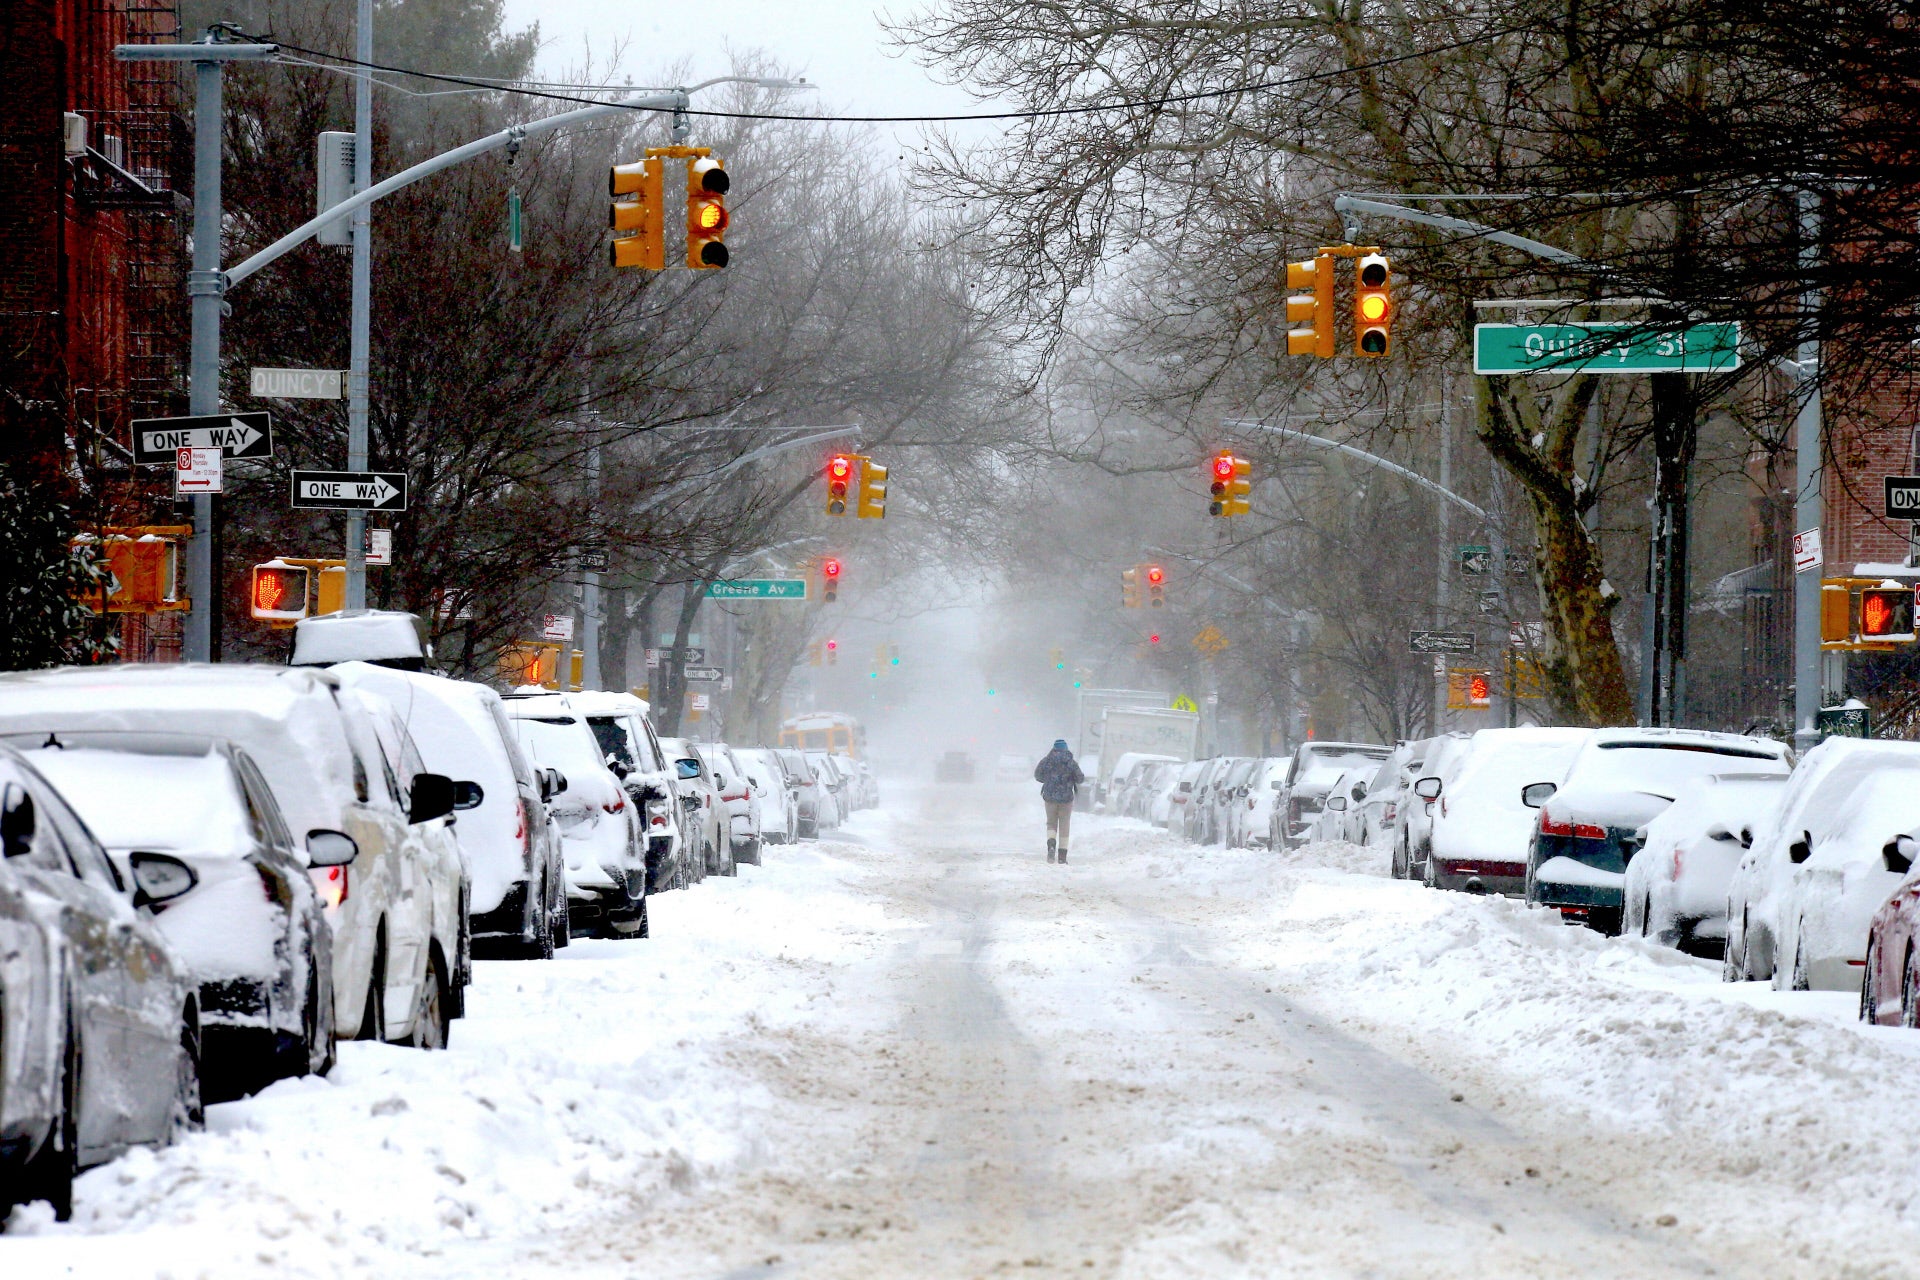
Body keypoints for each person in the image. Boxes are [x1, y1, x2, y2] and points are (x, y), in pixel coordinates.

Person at [1033, 739, 1084, 864]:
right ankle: (1062, 857)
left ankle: (1051, 846)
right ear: (1066, 749)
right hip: (1066, 799)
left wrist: (1048, 780)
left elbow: (1037, 775)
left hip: (1049, 797)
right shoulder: (1071, 762)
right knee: (1064, 825)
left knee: (1051, 823)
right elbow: (1080, 778)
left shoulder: (1046, 761)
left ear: (1054, 749)